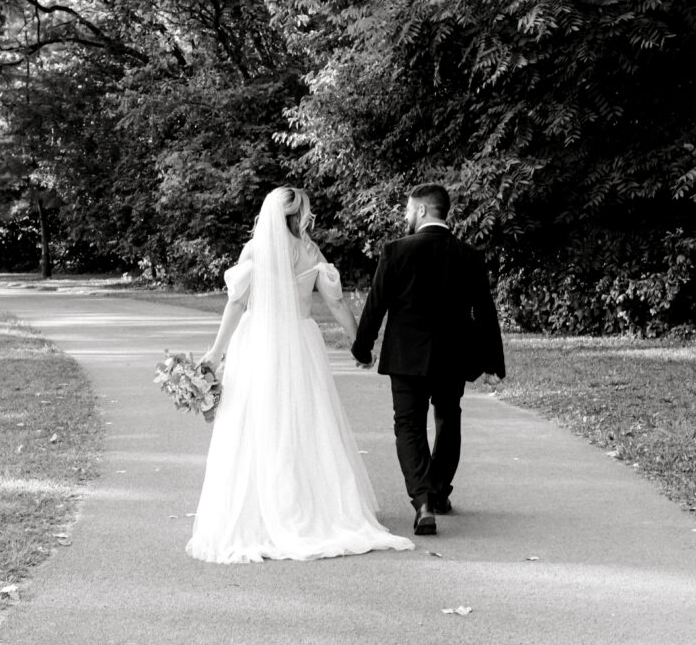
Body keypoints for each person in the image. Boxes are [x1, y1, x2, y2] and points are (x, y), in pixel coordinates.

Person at [187, 186, 414, 563]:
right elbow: (335, 302)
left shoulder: (254, 251)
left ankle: (263, 507)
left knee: (258, 421)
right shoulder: (311, 252)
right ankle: (311, 505)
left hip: (258, 343)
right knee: (305, 420)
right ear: (300, 214)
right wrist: (359, 343)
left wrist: (215, 352)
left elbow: (237, 304)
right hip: (300, 342)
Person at [351, 183, 505, 536]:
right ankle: (438, 491)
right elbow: (485, 311)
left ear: (421, 210)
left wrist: (363, 348)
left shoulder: (396, 251)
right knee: (448, 419)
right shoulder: (468, 255)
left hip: (406, 357)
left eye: (408, 209)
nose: (406, 215)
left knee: (409, 425)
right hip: (453, 356)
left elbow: (376, 305)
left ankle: (422, 501)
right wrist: (492, 360)